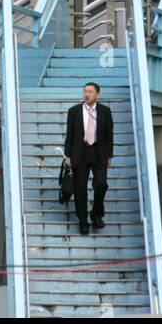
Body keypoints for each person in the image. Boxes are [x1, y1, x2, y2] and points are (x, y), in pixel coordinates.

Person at [64, 82, 114, 236]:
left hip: (98, 152)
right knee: (80, 189)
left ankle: (96, 213)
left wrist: (109, 156)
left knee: (101, 183)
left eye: (90, 92)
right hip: (80, 152)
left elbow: (109, 135)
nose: (87, 94)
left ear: (97, 94)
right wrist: (67, 155)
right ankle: (83, 221)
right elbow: (69, 134)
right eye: (85, 91)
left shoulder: (105, 111)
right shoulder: (74, 111)